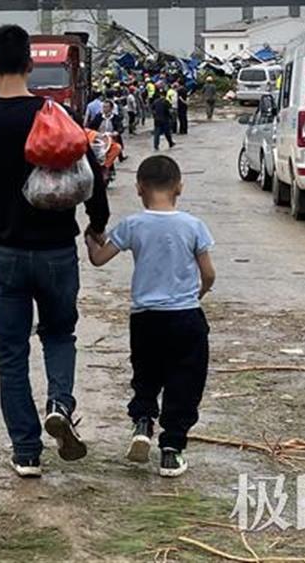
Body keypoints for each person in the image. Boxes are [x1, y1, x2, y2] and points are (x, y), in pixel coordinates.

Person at [0, 25, 111, 478]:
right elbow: (92, 177)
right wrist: (96, 227)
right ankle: (60, 404)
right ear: (30, 65)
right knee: (59, 336)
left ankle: (26, 451)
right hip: (56, 251)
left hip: (5, 252)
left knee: (11, 353)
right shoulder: (57, 113)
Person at [86, 154, 215, 478]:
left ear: (139, 188)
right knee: (184, 382)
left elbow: (100, 259)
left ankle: (143, 423)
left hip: (145, 319)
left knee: (146, 376)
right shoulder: (193, 225)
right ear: (179, 187)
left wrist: (91, 240)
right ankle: (171, 451)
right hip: (186, 318)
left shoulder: (132, 225)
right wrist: (198, 294)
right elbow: (209, 274)